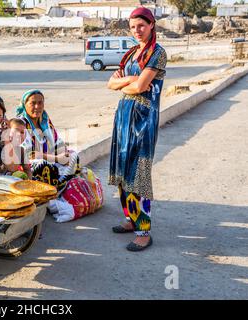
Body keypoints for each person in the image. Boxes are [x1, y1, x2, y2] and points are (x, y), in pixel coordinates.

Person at [107, 7, 167, 252]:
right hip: (123, 118)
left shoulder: (158, 53)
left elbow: (142, 87)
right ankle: (131, 219)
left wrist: (130, 82)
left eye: (141, 26)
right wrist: (130, 81)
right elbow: (110, 83)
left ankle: (144, 231)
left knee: (138, 173)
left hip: (143, 120)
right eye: (133, 27)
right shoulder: (132, 53)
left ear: (151, 25)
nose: (137, 31)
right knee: (122, 170)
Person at [16, 89, 80, 190]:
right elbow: (30, 155)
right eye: (33, 103)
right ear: (25, 104)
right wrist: (57, 158)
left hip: (50, 159)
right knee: (44, 165)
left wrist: (64, 153)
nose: (37, 107)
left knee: (73, 155)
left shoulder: (45, 121)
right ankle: (53, 189)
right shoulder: (20, 123)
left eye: (40, 103)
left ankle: (59, 183)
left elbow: (57, 142)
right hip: (29, 166)